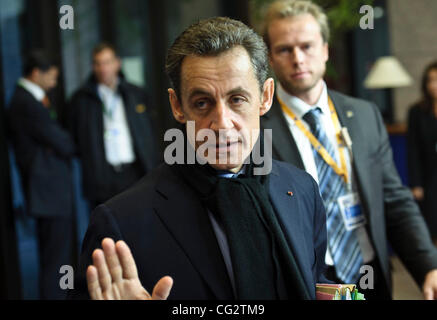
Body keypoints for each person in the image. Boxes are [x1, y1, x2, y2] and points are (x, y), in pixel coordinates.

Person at [69, 17, 329, 300]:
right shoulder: (120, 223)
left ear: (265, 97)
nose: (221, 123)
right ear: (177, 106)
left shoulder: (303, 190)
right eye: (202, 103)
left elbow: (316, 284)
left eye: (237, 99)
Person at [260, 0, 437, 300]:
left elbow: (393, 200)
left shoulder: (364, 115)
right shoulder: (256, 130)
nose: (298, 59)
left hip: (369, 271)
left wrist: (429, 266)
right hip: (310, 280)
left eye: (307, 46)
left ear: (326, 49)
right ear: (271, 58)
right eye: (285, 49)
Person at [8, 51, 76, 299]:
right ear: (37, 73)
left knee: (56, 256)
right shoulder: (26, 103)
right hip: (47, 194)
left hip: (49, 192)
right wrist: (62, 142)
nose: (55, 83)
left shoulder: (31, 100)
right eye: (52, 77)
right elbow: (64, 143)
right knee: (54, 260)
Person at [68, 43, 158, 209]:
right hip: (102, 175)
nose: (103, 68)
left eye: (107, 62)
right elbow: (74, 138)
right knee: (107, 226)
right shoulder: (81, 99)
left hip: (134, 171)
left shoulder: (135, 93)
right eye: (98, 63)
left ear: (117, 63)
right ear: (93, 66)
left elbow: (150, 131)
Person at [407, 61, 437, 246]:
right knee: (432, 225)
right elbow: (413, 149)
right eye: (430, 80)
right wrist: (416, 184)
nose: (434, 85)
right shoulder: (417, 111)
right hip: (430, 176)